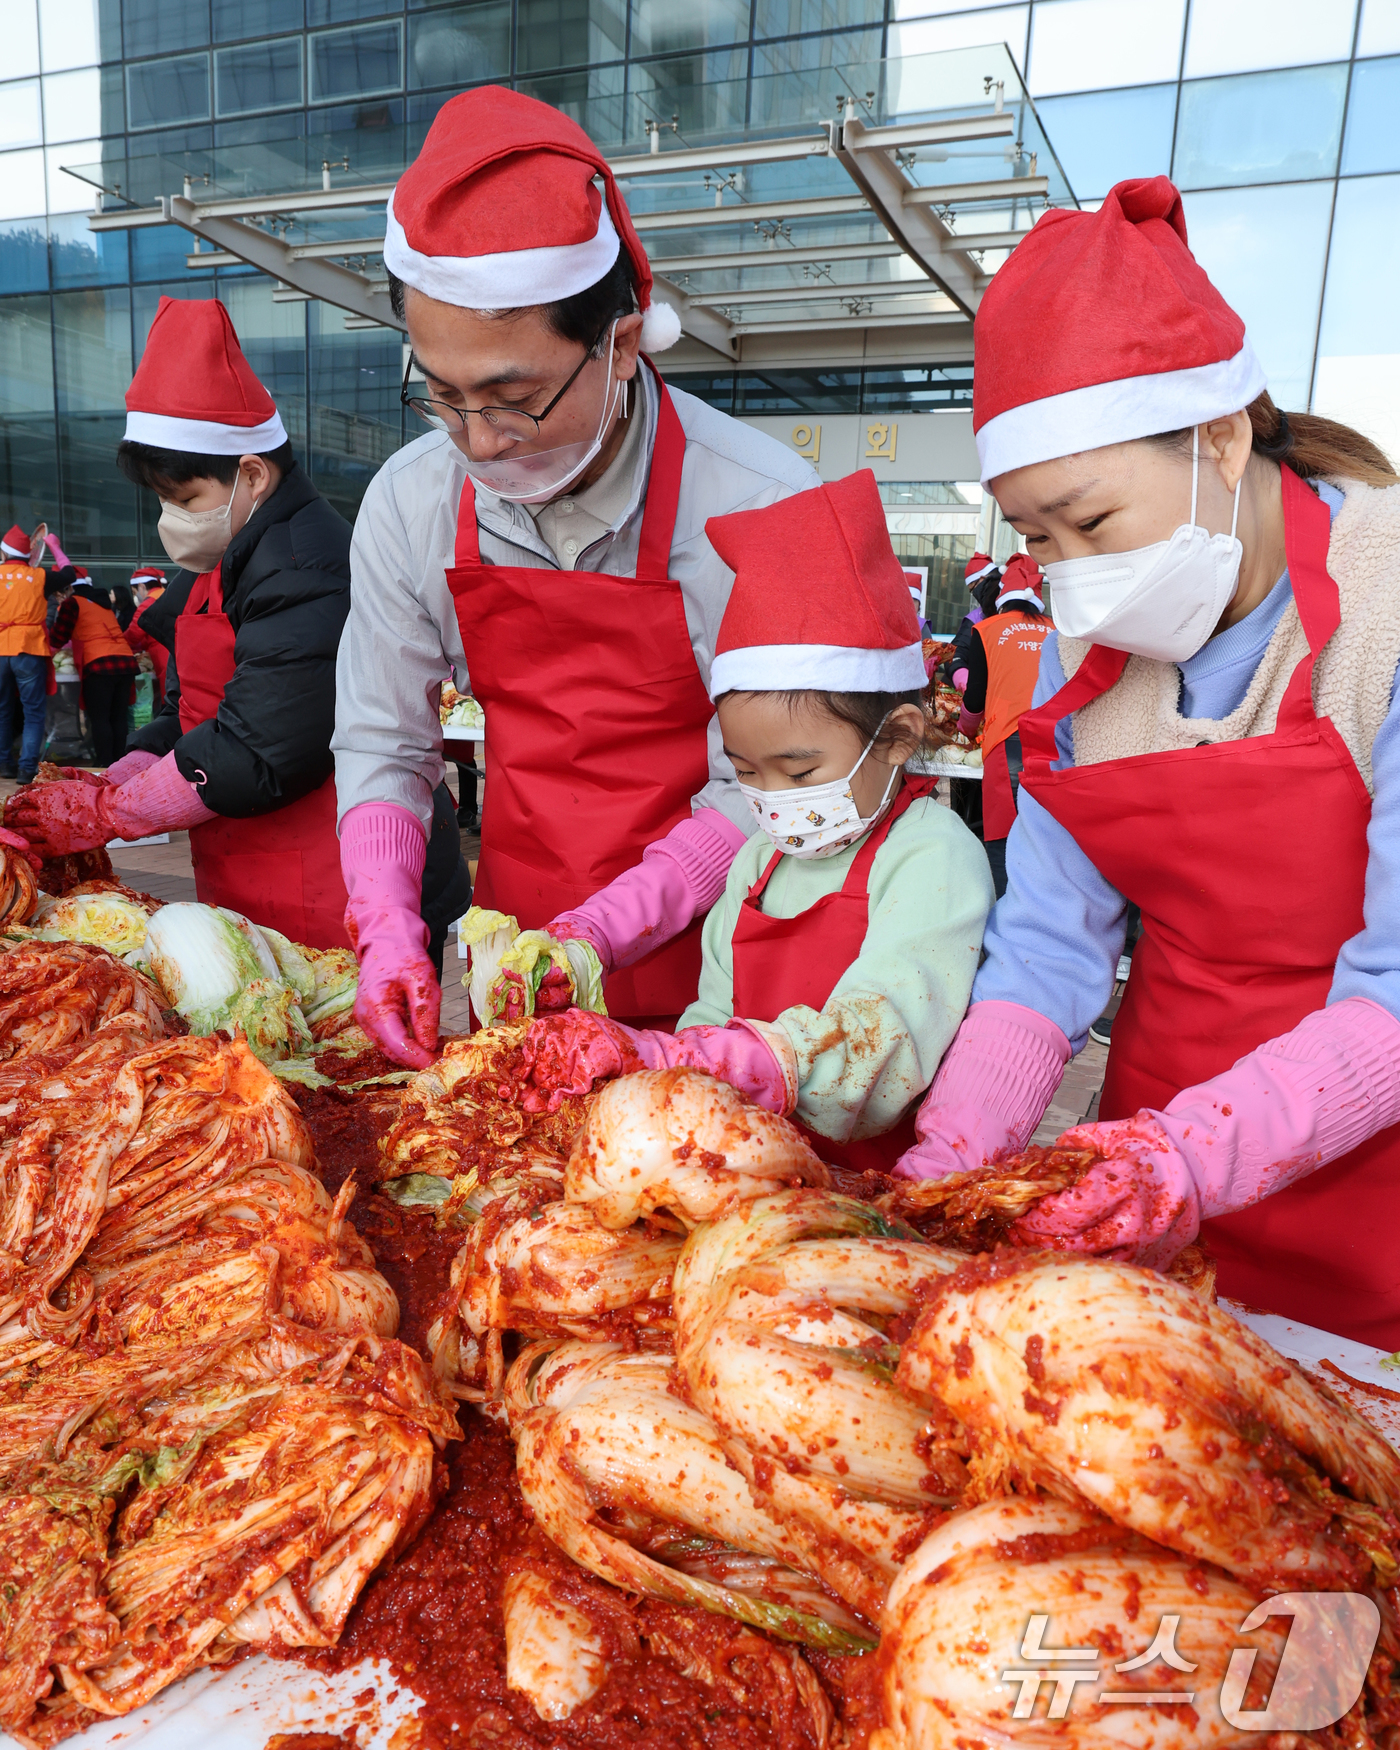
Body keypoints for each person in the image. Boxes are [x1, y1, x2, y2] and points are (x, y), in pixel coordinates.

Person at [899, 176, 1400, 1347]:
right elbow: (1040, 955)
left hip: (1362, 1192)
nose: (1067, 572)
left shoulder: (1380, 612)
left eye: (1090, 520)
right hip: (1148, 1193)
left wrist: (1180, 1154)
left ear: (1219, 438)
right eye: (1033, 536)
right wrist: (945, 1167)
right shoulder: (1083, 674)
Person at [335, 85, 819, 1067]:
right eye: (440, 395)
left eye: (513, 398)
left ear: (621, 343)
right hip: (517, 949)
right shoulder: (409, 502)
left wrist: (600, 931)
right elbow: (385, 740)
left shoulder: (763, 506)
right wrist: (385, 921)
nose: (476, 440)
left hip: (718, 966)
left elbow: (767, 789)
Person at [520, 472, 993, 1167]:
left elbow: (885, 1032)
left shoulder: (930, 855)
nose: (773, 799)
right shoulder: (759, 860)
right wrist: (675, 1077)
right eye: (745, 772)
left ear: (897, 736)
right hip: (744, 1169)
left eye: (799, 773)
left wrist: (720, 1062)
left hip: (877, 1178)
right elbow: (712, 1013)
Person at [9, 298, 471, 954]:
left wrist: (112, 813)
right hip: (247, 864)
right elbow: (191, 709)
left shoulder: (309, 561)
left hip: (343, 880)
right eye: (165, 501)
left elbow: (263, 747)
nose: (174, 518)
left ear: (251, 474)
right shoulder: (219, 554)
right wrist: (121, 772)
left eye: (186, 498)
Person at [955, 551, 1052, 896]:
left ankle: (1003, 920)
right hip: (1052, 747)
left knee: (1001, 842)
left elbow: (975, 699)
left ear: (1001, 595)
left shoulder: (987, 629)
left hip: (1005, 746)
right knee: (1045, 842)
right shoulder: (1057, 632)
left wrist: (965, 730)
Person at [0, 524, 76, 781]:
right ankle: (26, 768)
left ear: (4, 554)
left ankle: (3, 764)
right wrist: (54, 545)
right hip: (29, 649)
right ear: (27, 555)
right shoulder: (39, 577)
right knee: (33, 712)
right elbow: (69, 573)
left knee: (2, 710)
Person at [48, 568, 138, 768]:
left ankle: (104, 762)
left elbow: (59, 636)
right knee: (119, 716)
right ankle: (120, 762)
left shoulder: (73, 603)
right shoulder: (102, 603)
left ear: (69, 587)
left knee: (100, 718)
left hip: (99, 664)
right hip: (125, 661)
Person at [124, 565, 170, 706]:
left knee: (168, 699)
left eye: (134, 591)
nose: (135, 596)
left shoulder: (148, 604)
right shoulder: (169, 596)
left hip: (164, 655)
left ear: (142, 587)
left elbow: (133, 635)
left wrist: (117, 642)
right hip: (177, 652)